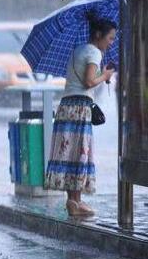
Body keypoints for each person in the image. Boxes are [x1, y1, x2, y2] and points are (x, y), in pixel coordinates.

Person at [44, 16, 117, 216]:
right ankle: (76, 201)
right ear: (98, 35)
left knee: (69, 152)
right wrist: (105, 76)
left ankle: (73, 201)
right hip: (79, 108)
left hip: (66, 106)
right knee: (79, 153)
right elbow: (89, 82)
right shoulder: (94, 52)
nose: (111, 43)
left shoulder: (78, 50)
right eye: (110, 38)